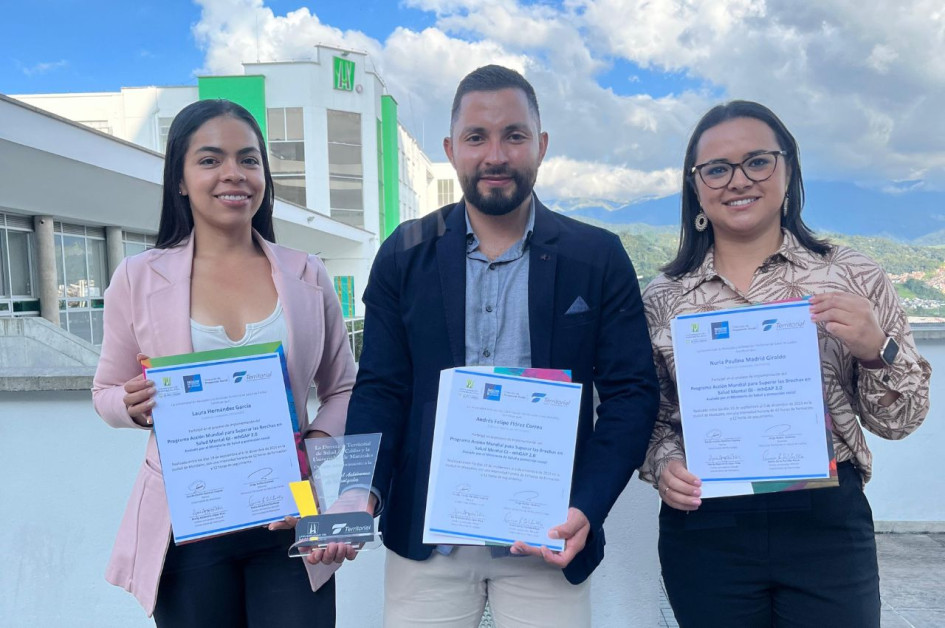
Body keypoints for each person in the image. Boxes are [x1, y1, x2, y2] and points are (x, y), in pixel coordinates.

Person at [313, 64, 659, 627]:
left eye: (514, 135)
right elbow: (380, 386)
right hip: (426, 543)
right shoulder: (404, 254)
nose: (495, 154)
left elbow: (630, 395)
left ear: (540, 146)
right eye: (477, 137)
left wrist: (586, 508)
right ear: (451, 149)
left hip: (548, 537)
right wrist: (360, 489)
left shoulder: (596, 256)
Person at [639, 100, 932, 627]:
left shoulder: (854, 276)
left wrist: (874, 349)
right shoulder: (663, 297)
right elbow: (650, 414)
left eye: (757, 161)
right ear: (695, 184)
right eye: (717, 169)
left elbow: (900, 421)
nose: (737, 180)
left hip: (824, 522)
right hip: (707, 522)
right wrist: (663, 467)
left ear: (788, 169)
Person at [92, 99, 356, 626]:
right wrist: (130, 404)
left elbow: (345, 386)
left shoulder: (308, 273)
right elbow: (104, 392)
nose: (233, 174)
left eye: (248, 159)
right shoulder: (138, 277)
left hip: (289, 513)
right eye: (210, 160)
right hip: (188, 522)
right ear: (181, 180)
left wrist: (315, 446)